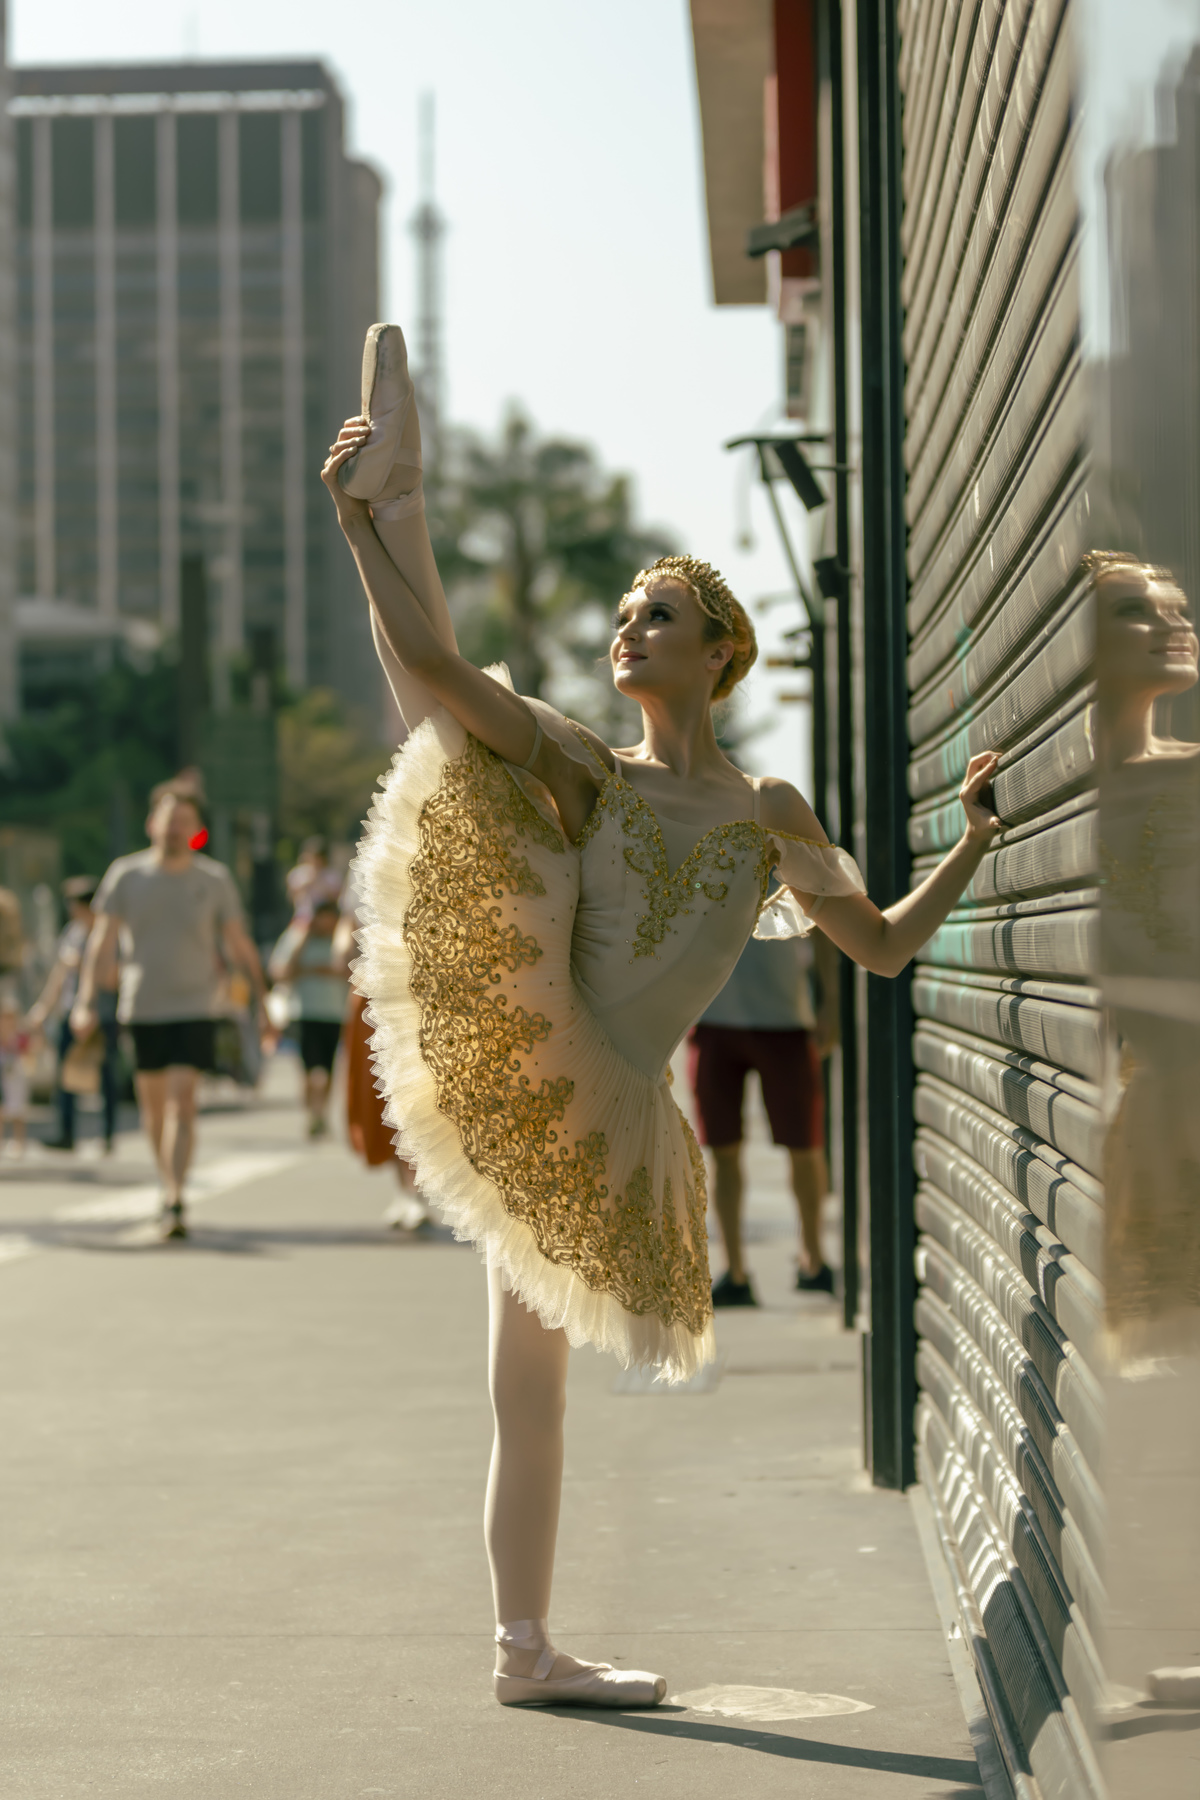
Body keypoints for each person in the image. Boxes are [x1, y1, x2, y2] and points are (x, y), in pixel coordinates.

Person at [320, 321, 1001, 1708]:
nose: (630, 630)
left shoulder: (767, 814)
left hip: (623, 1098)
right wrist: (349, 527)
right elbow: (440, 677)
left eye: (658, 618)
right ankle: (398, 493)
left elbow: (873, 949)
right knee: (453, 719)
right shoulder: (591, 770)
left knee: (534, 1385)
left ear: (722, 653)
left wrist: (974, 848)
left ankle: (526, 1652)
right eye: (626, 615)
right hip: (544, 1054)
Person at [71, 782, 268, 1240]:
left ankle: (175, 1195)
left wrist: (262, 999)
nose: (175, 829)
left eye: (184, 822)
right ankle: (166, 1182)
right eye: (167, 820)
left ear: (196, 830)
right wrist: (84, 1001)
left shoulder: (213, 879)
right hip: (141, 1006)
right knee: (153, 1110)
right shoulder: (125, 875)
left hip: (196, 1005)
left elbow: (238, 943)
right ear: (151, 824)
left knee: (184, 1103)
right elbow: (100, 941)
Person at [687, 927, 837, 1305]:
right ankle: (734, 1272)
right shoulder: (691, 863)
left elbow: (824, 929)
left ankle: (813, 1261)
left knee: (805, 1145)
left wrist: (831, 1002)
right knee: (722, 1150)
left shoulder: (791, 864)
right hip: (712, 1017)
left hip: (787, 1016)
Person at [331, 896, 429, 1230]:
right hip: (372, 992)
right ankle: (405, 1190)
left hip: (418, 991)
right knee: (381, 1097)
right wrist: (346, 946)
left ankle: (416, 1192)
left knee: (415, 1092)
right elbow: (347, 928)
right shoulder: (361, 868)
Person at [27, 875, 121, 1153]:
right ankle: (66, 1133)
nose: (71, 909)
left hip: (103, 1015)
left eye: (74, 904)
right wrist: (43, 1009)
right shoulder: (72, 933)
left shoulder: (109, 935)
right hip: (70, 1011)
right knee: (66, 1074)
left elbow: (114, 980)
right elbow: (59, 975)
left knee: (105, 1075)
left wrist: (84, 966)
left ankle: (107, 1136)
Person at [269, 896, 348, 1139]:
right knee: (310, 1071)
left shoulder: (343, 939)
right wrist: (302, 944)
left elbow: (349, 970)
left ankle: (320, 1113)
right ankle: (313, 1112)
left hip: (335, 1014)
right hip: (304, 1012)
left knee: (327, 1071)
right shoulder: (297, 937)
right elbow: (279, 971)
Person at [0, 996, 31, 1156]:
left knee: (18, 1111)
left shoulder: (20, 1037)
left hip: (17, 1078)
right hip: (3, 1079)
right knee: (2, 1111)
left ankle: (19, 1141)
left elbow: (28, 1055)